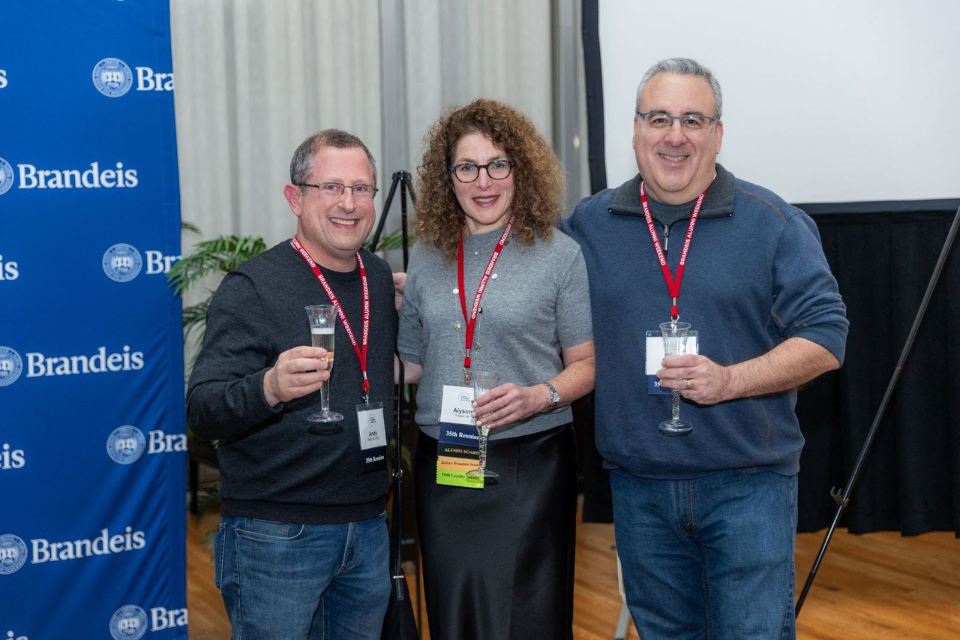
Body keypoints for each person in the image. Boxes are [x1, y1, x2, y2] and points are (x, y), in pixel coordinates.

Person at [562, 58, 849, 639]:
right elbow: (529, 299)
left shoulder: (773, 223)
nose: (674, 136)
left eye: (693, 120)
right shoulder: (589, 225)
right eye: (659, 118)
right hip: (639, 487)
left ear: (718, 134)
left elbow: (826, 338)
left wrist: (730, 381)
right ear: (635, 128)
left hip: (747, 487)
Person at [187, 130, 397, 639]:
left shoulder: (376, 276)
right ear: (294, 197)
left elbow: (378, 368)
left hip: (368, 527)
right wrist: (270, 387)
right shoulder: (253, 287)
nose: (349, 203)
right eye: (331, 187)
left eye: (362, 188)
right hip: (277, 537)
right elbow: (201, 408)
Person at [398, 99, 595, 639]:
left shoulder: (560, 256)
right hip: (446, 465)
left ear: (520, 170)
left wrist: (541, 395)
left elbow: (585, 365)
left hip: (531, 462)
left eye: (497, 165)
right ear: (448, 178)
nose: (483, 181)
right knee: (455, 610)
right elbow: (411, 365)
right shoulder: (428, 258)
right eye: (467, 167)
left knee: (528, 617)